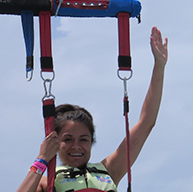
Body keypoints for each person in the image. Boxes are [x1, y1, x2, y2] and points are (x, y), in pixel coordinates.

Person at [17, 26, 168, 192]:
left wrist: (159, 66)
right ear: (55, 142)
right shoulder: (48, 182)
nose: (76, 146)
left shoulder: (110, 170)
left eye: (83, 139)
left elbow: (146, 123)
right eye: (67, 139)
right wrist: (42, 158)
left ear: (91, 141)